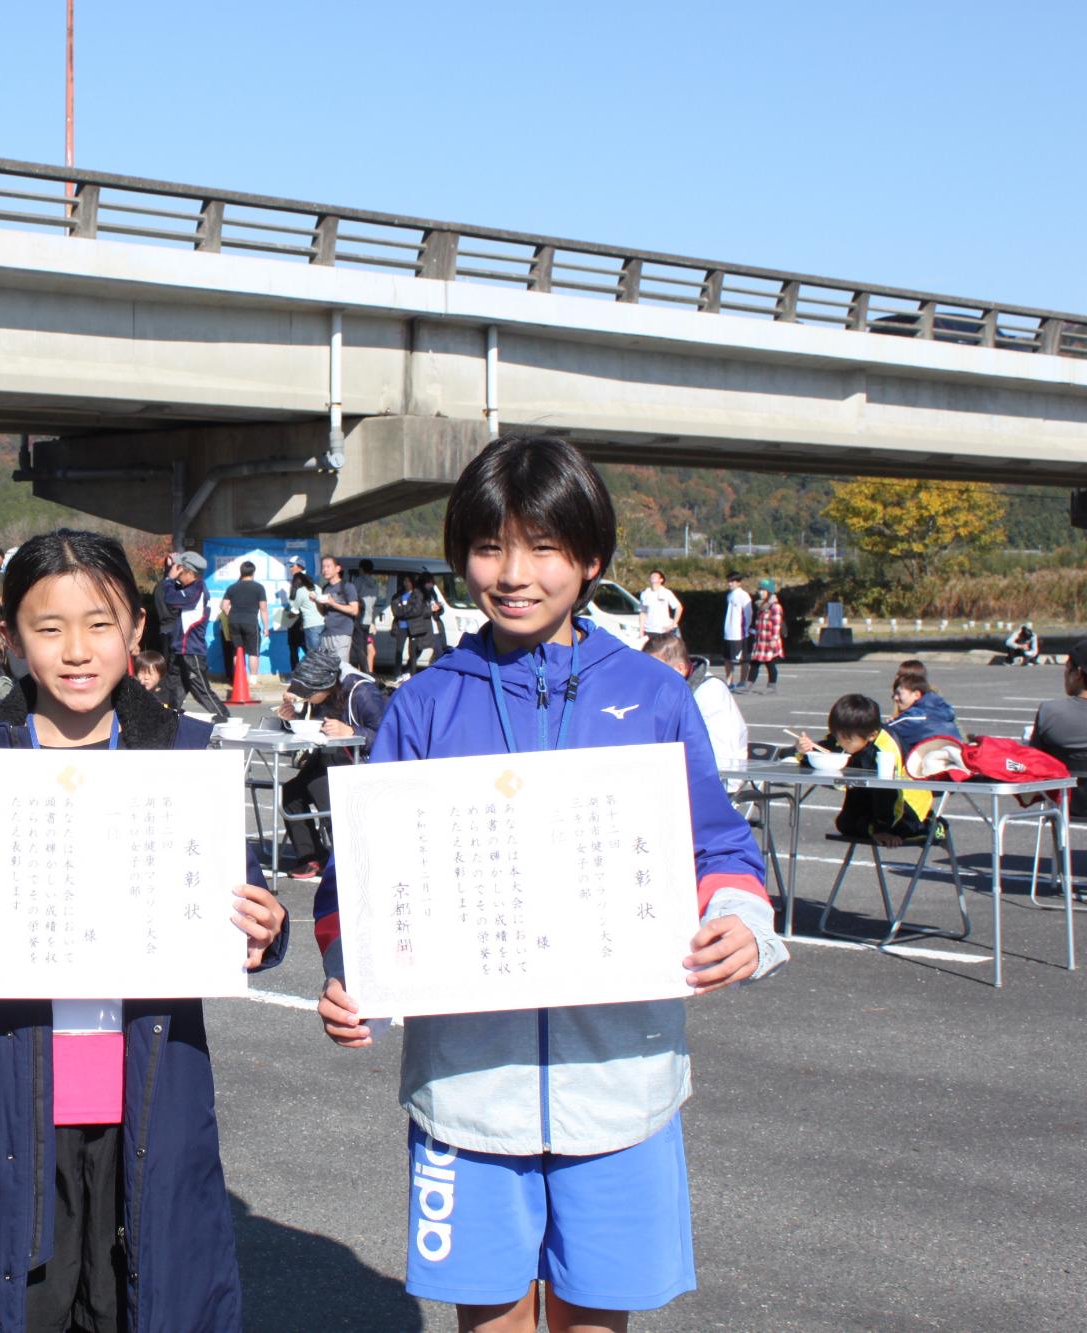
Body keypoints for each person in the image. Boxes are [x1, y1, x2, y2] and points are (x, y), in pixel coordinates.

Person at [316, 435, 784, 1333]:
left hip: (622, 1081)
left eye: (543, 547)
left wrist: (738, 920)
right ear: (461, 558)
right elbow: (358, 880)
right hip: (467, 1093)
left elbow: (720, 846)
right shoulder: (423, 704)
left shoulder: (652, 694)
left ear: (592, 556)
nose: (514, 572)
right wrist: (350, 974)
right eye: (490, 547)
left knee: (595, 1316)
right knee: (489, 1317)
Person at [0, 528, 288, 1333]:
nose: (77, 649)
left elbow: (247, 896)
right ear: (9, 638)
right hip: (8, 1100)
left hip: (149, 1092)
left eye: (100, 623)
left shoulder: (186, 752)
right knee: (15, 1303)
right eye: (48, 628)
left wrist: (268, 923)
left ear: (135, 630)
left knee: (142, 1298)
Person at [275, 647, 384, 881]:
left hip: (356, 762)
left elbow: (387, 734)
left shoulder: (362, 692)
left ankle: (349, 855)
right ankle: (311, 856)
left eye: (308, 692)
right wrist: (292, 719)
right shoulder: (322, 695)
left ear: (326, 685)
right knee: (289, 792)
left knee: (319, 785)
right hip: (328, 757)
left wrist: (353, 731)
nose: (305, 696)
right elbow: (316, 727)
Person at [794, 694, 932, 847]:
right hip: (869, 792)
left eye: (845, 739)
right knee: (844, 823)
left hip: (905, 804)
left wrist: (882, 828)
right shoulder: (850, 733)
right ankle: (873, 827)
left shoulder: (886, 749)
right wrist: (806, 750)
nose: (840, 743)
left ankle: (930, 826)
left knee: (900, 824)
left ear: (871, 735)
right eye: (837, 736)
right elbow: (824, 750)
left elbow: (891, 793)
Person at [644, 630, 747, 790]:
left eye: (656, 671)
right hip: (677, 779)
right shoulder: (670, 691)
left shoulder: (710, 691)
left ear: (680, 668)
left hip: (716, 783)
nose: (650, 678)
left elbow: (720, 754)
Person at [162, 549, 229, 721]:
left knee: (201, 690)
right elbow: (172, 595)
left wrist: (169, 580)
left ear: (190, 573)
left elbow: (171, 599)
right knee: (174, 689)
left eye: (180, 571)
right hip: (180, 649)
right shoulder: (188, 588)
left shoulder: (196, 589)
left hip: (191, 650)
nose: (177, 575)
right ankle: (169, 722)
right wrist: (169, 574)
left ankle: (225, 719)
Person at [1029, 640, 1087, 776]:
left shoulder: (1050, 711)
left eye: (1067, 668)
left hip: (1064, 794)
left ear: (1078, 673)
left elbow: (1034, 761)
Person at [886, 661, 961, 752]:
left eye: (901, 676)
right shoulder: (939, 704)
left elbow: (883, 732)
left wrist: (893, 722)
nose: (896, 678)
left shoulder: (915, 716)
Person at [219, 559, 269, 676]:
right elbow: (263, 609)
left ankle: (239, 680)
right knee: (253, 653)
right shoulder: (259, 588)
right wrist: (266, 627)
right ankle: (253, 681)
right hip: (250, 623)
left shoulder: (232, 587)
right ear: (253, 572)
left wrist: (230, 615)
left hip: (234, 622)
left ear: (241, 572)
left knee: (238, 652)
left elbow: (223, 605)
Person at [314, 554, 360, 666]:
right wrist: (316, 601)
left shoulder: (348, 587)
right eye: (323, 567)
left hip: (342, 634)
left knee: (341, 668)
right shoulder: (325, 588)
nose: (325, 570)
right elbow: (323, 613)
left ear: (338, 569)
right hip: (327, 634)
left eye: (328, 566)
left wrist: (333, 603)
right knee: (327, 669)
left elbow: (354, 610)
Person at [749, 578, 784, 693]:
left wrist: (774, 638)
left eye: (763, 590)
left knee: (770, 663)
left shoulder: (775, 606)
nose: (760, 592)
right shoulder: (761, 606)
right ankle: (749, 684)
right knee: (755, 662)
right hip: (760, 640)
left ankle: (772, 685)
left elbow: (776, 623)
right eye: (760, 589)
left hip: (769, 640)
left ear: (769, 592)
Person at [721, 571, 753, 691]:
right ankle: (729, 682)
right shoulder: (729, 596)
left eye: (732, 581)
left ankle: (742, 681)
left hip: (739, 633)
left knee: (742, 658)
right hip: (728, 632)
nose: (730, 584)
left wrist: (746, 628)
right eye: (729, 581)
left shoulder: (743, 595)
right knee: (727, 658)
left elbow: (748, 613)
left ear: (738, 583)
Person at [389, 572, 424, 675]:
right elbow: (395, 610)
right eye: (405, 581)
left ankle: (412, 673)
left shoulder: (417, 594)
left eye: (408, 581)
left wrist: (403, 610)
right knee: (399, 650)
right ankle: (397, 673)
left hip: (413, 627)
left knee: (412, 652)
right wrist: (406, 610)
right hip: (401, 626)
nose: (406, 583)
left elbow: (416, 610)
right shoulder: (399, 594)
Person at [288, 569, 324, 666]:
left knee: (312, 655)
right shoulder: (317, 588)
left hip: (309, 625)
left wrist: (287, 616)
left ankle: (312, 677)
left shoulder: (300, 591)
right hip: (322, 623)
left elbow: (294, 611)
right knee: (322, 654)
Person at [353, 559, 383, 672]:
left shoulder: (358, 581)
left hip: (359, 619)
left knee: (360, 649)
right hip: (369, 620)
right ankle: (365, 672)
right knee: (366, 648)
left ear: (361, 569)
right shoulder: (375, 584)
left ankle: (363, 673)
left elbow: (353, 597)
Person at [639, 569, 683, 637]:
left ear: (661, 580)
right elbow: (643, 612)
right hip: (649, 631)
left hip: (663, 630)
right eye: (652, 576)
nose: (653, 577)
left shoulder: (666, 593)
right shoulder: (644, 594)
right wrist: (641, 631)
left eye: (656, 576)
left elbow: (679, 607)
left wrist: (673, 624)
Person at [418, 572, 449, 665]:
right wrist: (431, 609)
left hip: (437, 626)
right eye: (429, 582)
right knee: (435, 652)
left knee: (440, 651)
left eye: (432, 582)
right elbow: (419, 611)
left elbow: (440, 611)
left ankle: (434, 670)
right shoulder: (419, 594)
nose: (431, 585)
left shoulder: (433, 593)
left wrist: (439, 608)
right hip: (427, 627)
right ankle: (407, 670)